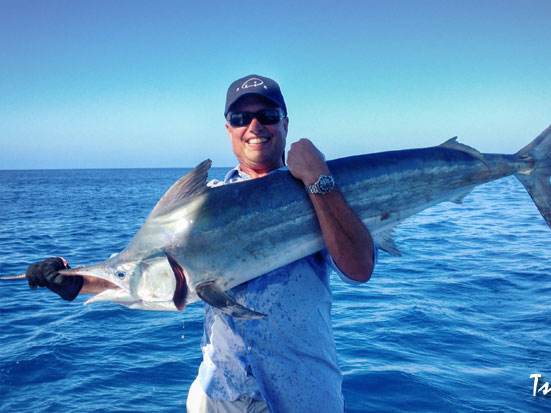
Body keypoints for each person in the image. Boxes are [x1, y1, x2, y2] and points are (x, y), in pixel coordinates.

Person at [26, 74, 376, 412]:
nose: (255, 126)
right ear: (229, 129)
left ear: (285, 124)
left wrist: (318, 180)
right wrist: (73, 281)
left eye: (267, 116)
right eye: (241, 118)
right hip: (221, 392)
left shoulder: (323, 191)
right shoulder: (196, 210)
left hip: (305, 391)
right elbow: (135, 270)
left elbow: (360, 267)